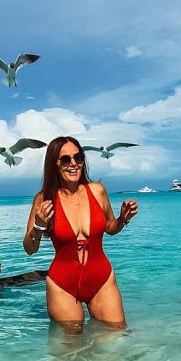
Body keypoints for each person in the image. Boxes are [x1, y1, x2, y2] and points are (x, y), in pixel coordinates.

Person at [24, 136, 138, 326]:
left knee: (117, 337)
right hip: (63, 284)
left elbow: (110, 228)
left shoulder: (97, 190)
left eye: (78, 158)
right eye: (66, 159)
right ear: (55, 163)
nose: (74, 164)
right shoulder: (43, 199)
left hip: (102, 279)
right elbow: (29, 249)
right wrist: (38, 225)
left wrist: (123, 219)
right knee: (71, 348)